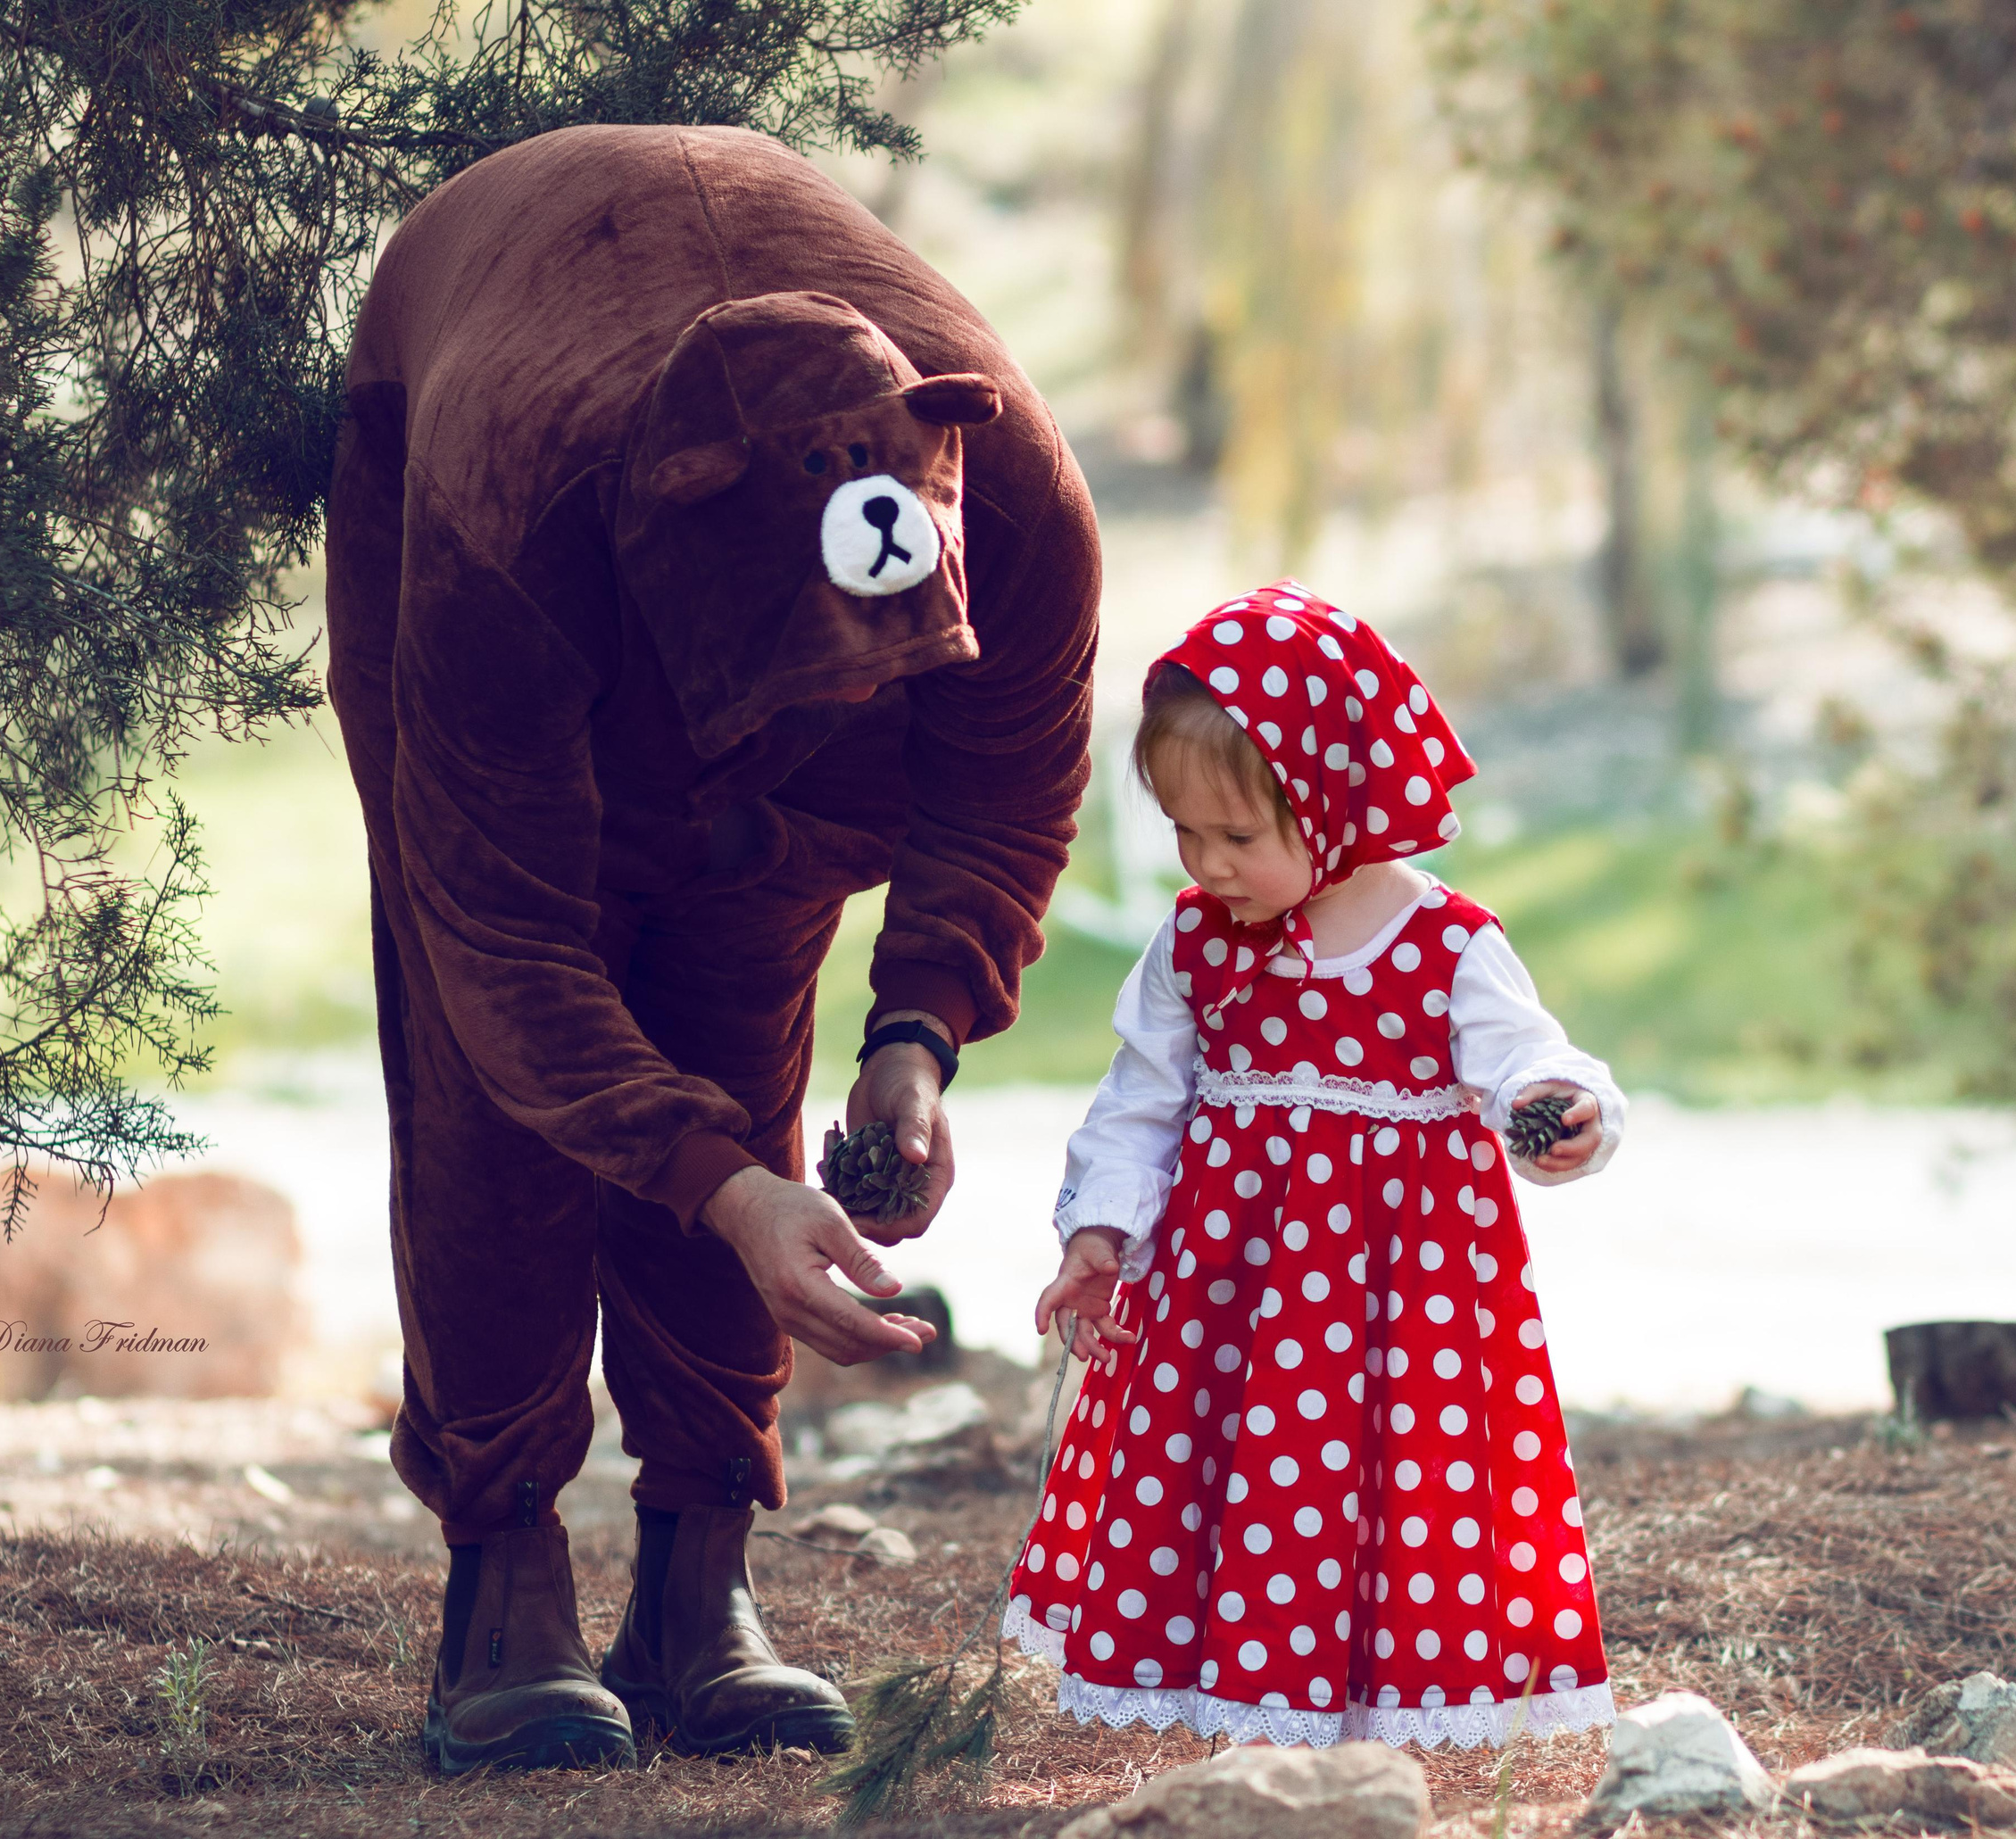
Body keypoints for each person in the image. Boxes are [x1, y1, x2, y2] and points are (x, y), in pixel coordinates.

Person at [325, 124, 1099, 1773]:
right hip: (482, 476)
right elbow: (509, 944)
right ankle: (505, 1566)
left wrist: (917, 1034)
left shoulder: (1018, 493)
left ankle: (696, 1579)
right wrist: (725, 1189)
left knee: (743, 1014)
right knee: (493, 1092)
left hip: (731, 661)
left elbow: (1003, 782)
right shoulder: (506, 515)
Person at [1006, 581, 1622, 1752]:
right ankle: (1246, 1710)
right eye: (1185, 832)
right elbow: (1142, 1100)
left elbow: (1527, 1065)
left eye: (1239, 836)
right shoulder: (1195, 941)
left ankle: (1374, 1724)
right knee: (1240, 1484)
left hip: (1401, 1310)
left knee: (1390, 1496)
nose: (1209, 863)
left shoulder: (1447, 945)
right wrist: (1101, 1231)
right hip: (1231, 1300)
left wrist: (1562, 1110)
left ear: (1335, 800)